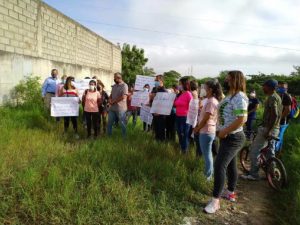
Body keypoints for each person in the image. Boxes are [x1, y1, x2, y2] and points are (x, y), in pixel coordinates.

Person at [204, 71, 248, 214]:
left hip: (233, 137)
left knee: (219, 165)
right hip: (226, 136)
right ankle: (230, 192)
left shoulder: (240, 97)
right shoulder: (231, 96)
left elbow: (242, 119)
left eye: (228, 79)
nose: (226, 81)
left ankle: (215, 201)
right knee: (230, 165)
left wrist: (225, 131)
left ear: (235, 80)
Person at [241, 80, 282, 181]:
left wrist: (268, 130)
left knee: (254, 150)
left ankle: (254, 174)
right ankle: (272, 172)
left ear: (269, 87)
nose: (263, 88)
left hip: (268, 128)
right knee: (270, 151)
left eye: (264, 86)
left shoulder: (272, 97)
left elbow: (275, 114)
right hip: (276, 128)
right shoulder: (277, 97)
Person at [194, 79, 222, 180]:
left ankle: (208, 176)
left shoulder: (211, 101)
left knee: (207, 154)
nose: (203, 90)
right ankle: (209, 173)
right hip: (207, 130)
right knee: (208, 153)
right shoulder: (210, 100)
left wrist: (197, 128)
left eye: (204, 88)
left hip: (206, 131)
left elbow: (206, 118)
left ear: (210, 89)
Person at [174, 77, 193, 153]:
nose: (179, 85)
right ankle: (182, 148)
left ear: (185, 84)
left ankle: (185, 150)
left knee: (184, 134)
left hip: (185, 117)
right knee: (179, 133)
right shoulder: (181, 94)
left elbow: (192, 107)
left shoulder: (188, 94)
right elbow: (176, 103)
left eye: (180, 83)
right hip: (178, 116)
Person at [107, 72, 128, 137]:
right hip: (112, 108)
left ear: (119, 78)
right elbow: (111, 94)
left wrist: (113, 101)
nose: (114, 79)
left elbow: (123, 96)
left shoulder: (124, 85)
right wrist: (109, 99)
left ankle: (124, 137)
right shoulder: (114, 86)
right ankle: (109, 136)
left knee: (122, 123)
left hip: (121, 109)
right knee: (109, 123)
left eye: (115, 78)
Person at [150, 75, 168, 141]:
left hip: (161, 113)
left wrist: (159, 112)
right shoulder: (154, 89)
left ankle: (162, 141)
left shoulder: (164, 91)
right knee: (156, 128)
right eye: (155, 80)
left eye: (157, 80)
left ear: (161, 81)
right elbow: (151, 99)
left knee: (161, 128)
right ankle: (157, 140)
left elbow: (165, 103)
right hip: (154, 112)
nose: (155, 82)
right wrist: (151, 97)